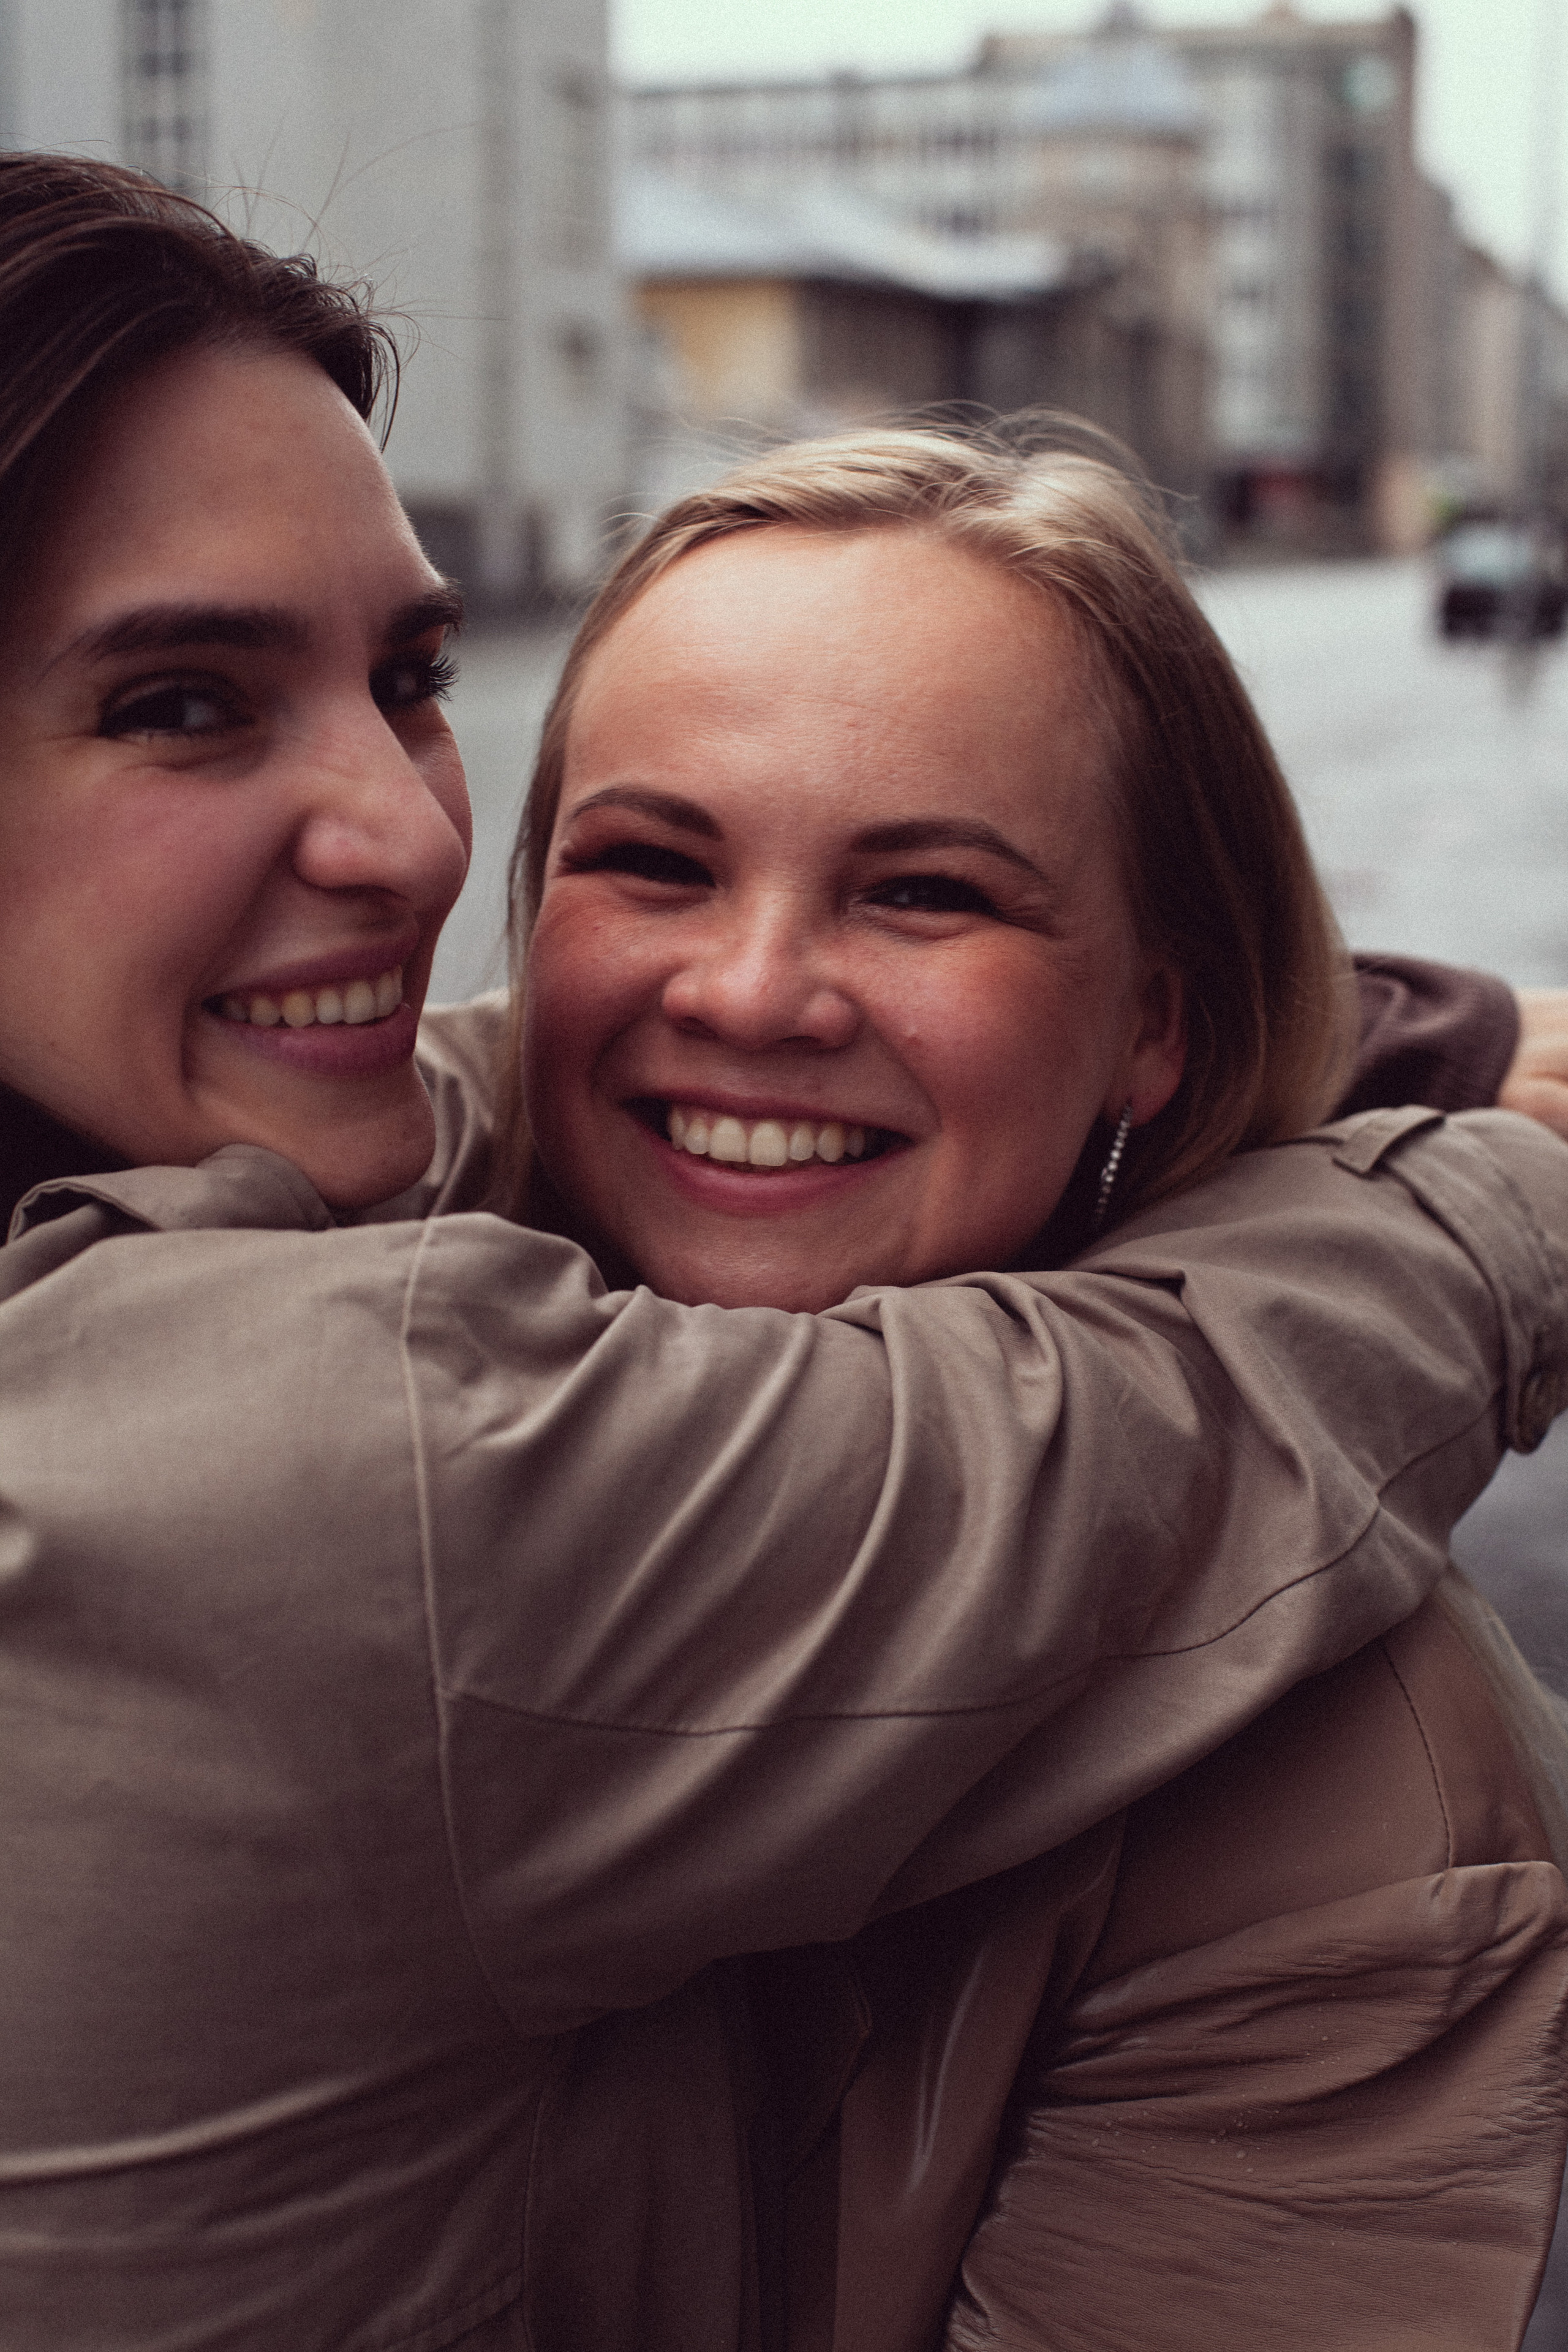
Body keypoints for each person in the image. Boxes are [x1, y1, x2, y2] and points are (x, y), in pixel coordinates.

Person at [2, 154, 1566, 2352]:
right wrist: (1504, 1177)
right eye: (181, 701)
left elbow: (449, 1070)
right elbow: (1157, 1422)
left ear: (1156, 1012)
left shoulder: (1352, 1773)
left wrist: (1398, 1031)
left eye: (420, 676)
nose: (401, 834)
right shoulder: (321, 1451)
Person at [481, 424, 1568, 2349]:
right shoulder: (295, 1357)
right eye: (651, 860)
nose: (750, 991)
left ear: (1152, 1019)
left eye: (925, 896)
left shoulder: (1360, 1791)